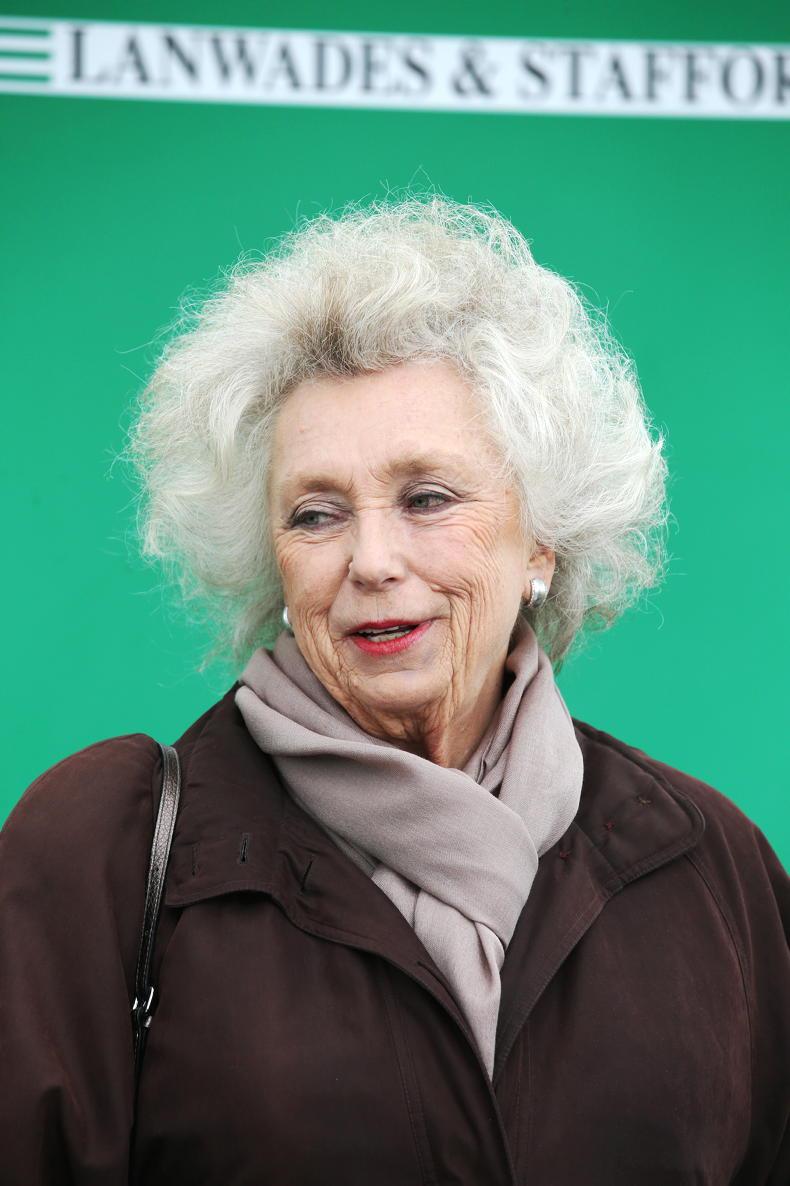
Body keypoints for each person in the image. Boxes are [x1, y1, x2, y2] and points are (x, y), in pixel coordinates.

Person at [1, 195, 787, 1186]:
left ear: (541, 539)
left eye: (427, 499)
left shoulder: (710, 867)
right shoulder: (106, 855)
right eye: (316, 514)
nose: (371, 560)